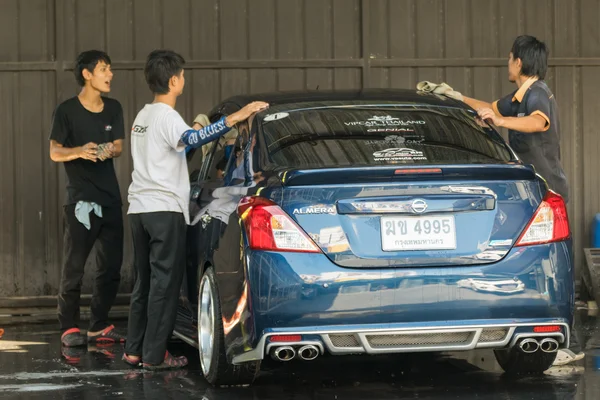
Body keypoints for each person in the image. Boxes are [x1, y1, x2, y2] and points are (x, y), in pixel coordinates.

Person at [416, 35, 582, 366]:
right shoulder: (520, 96)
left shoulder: (537, 94)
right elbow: (489, 108)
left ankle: (567, 341)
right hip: (528, 187)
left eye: (509, 59)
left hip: (547, 189)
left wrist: (502, 122)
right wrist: (454, 96)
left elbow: (538, 121)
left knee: (556, 263)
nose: (508, 63)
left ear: (519, 62)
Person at [123, 49, 268, 369]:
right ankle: (153, 356)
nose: (184, 80)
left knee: (144, 282)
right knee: (165, 283)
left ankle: (133, 349)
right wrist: (235, 117)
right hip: (164, 210)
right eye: (183, 76)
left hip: (138, 209)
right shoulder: (166, 116)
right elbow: (194, 138)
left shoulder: (142, 117)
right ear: (173, 80)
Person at [49, 50, 126, 347]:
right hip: (80, 203)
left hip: (110, 200)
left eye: (110, 69)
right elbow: (54, 151)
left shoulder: (114, 108)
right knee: (75, 268)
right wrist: (79, 151)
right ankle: (68, 326)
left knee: (110, 268)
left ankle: (98, 324)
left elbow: (118, 146)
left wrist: (107, 150)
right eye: (104, 69)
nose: (110, 75)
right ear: (87, 74)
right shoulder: (66, 111)